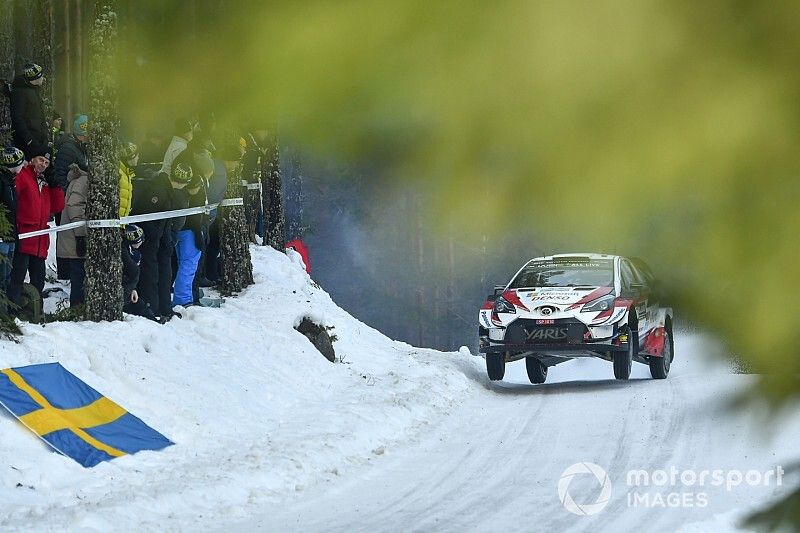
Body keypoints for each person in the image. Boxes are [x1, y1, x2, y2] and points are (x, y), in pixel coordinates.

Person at [131, 162, 192, 322]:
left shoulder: (168, 190)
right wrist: (157, 238)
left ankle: (164, 307)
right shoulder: (158, 190)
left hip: (162, 240)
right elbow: (148, 217)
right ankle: (152, 307)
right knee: (151, 275)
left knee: (165, 274)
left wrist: (167, 239)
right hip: (151, 241)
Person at [7, 146, 64, 308]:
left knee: (38, 281)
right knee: (16, 278)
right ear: (32, 159)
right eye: (40, 160)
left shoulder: (45, 182)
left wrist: (56, 186)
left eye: (46, 162)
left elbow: (57, 207)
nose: (43, 164)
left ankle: (35, 312)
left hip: (40, 240)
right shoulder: (22, 175)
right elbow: (12, 200)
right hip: (24, 237)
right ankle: (12, 311)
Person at [56, 163, 89, 307]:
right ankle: (77, 310)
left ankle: (78, 309)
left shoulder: (80, 179)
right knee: (79, 279)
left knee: (79, 278)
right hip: (75, 238)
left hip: (73, 236)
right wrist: (81, 236)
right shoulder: (83, 180)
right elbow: (74, 207)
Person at [0, 147, 25, 314]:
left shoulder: (10, 181)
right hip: (3, 236)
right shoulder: (3, 182)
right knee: (2, 276)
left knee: (7, 276)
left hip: (10, 236)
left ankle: (5, 313)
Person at [9, 62, 48, 158]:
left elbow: (40, 116)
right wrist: (28, 139)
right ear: (36, 78)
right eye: (41, 76)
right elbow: (17, 117)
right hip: (27, 143)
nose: (43, 78)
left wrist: (44, 137)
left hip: (38, 140)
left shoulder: (35, 90)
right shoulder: (20, 92)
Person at [121, 224, 156, 321]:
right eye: (141, 240)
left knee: (141, 306)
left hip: (129, 287)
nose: (142, 242)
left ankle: (153, 319)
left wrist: (133, 289)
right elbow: (134, 272)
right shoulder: (125, 251)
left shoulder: (135, 252)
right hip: (124, 287)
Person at [53, 114, 90, 190]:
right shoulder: (68, 148)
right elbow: (59, 175)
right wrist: (67, 193)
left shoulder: (82, 147)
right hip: (71, 193)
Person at [119, 141, 138, 218]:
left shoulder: (127, 174)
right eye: (137, 156)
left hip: (123, 221)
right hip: (115, 222)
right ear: (132, 157)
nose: (138, 158)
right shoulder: (119, 174)